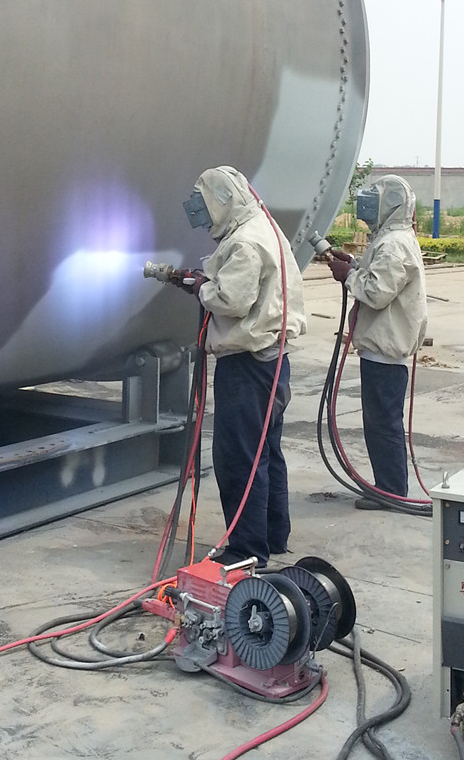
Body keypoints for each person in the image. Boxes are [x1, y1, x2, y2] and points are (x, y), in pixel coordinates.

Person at [179, 166, 306, 567]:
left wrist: (202, 288)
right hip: (273, 361)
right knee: (265, 452)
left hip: (248, 365)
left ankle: (247, 550)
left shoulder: (245, 242)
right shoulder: (263, 227)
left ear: (222, 201)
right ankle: (272, 535)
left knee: (239, 458)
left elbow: (232, 301)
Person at [326, 174, 427, 509]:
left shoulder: (393, 244)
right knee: (381, 423)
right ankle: (389, 487)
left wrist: (349, 277)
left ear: (389, 205)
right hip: (381, 349)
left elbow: (376, 291)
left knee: (383, 425)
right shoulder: (391, 239)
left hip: (385, 352)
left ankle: (391, 491)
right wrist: (355, 265)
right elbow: (380, 276)